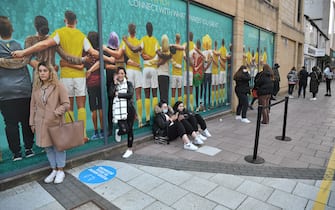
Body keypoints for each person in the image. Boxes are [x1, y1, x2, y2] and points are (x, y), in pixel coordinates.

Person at [12, 10, 102, 141]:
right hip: (79, 76)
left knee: (68, 106)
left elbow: (43, 45)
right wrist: (107, 57)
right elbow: (93, 52)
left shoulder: (59, 33)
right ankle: (82, 135)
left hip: (65, 75)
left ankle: (71, 136)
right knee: (81, 105)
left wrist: (24, 52)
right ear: (76, 21)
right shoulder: (82, 36)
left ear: (65, 20)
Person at [0, 16, 35, 161]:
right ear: (11, 29)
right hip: (24, 89)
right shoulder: (21, 45)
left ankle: (16, 153)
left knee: (10, 123)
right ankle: (29, 148)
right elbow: (31, 61)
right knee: (27, 120)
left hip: (5, 92)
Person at [30, 62, 70, 184]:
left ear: (50, 72)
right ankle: (53, 169)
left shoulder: (58, 86)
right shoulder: (36, 87)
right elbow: (32, 106)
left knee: (58, 147)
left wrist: (56, 112)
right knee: (47, 148)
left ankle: (60, 170)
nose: (42, 73)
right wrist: (32, 122)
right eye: (40, 71)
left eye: (45, 71)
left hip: (55, 122)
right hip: (41, 123)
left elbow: (66, 104)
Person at [105, 23, 143, 127]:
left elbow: (123, 57)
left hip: (127, 73)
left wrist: (105, 49)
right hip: (133, 72)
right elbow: (132, 57)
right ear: (135, 30)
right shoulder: (139, 41)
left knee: (127, 96)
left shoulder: (123, 43)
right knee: (136, 96)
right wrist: (138, 64)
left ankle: (130, 117)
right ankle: (138, 119)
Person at [110, 67, 136, 158]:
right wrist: (114, 83)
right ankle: (119, 132)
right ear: (116, 75)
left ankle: (129, 149)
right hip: (119, 111)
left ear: (125, 74)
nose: (120, 75)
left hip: (129, 110)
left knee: (130, 130)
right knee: (125, 129)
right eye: (118, 73)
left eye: (122, 73)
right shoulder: (114, 85)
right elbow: (111, 94)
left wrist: (119, 94)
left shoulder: (129, 84)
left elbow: (130, 94)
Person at [84, 32, 103, 140]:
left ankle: (96, 132)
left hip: (90, 83)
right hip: (99, 82)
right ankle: (102, 130)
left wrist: (89, 71)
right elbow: (101, 62)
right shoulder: (99, 51)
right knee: (100, 107)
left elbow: (82, 64)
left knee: (93, 108)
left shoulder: (86, 52)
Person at [171, 33, 184, 105]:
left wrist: (176, 65)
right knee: (179, 93)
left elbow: (171, 59)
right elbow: (185, 57)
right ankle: (180, 108)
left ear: (175, 39)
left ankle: (173, 108)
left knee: (173, 93)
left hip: (174, 73)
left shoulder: (172, 47)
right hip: (180, 74)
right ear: (180, 39)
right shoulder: (182, 49)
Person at [201, 34, 213, 111]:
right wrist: (206, 67)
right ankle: (208, 104)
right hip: (209, 73)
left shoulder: (203, 52)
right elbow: (210, 61)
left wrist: (204, 68)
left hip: (205, 73)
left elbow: (203, 61)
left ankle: (205, 105)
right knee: (208, 89)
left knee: (205, 89)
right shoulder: (210, 52)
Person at [193, 40, 205, 111]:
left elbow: (203, 61)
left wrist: (197, 67)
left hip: (198, 72)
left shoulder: (198, 53)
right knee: (199, 88)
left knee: (199, 88)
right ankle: (199, 104)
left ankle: (199, 104)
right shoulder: (197, 53)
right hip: (198, 72)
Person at [218, 38, 227, 105]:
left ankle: (222, 99)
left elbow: (224, 59)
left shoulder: (222, 50)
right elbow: (224, 59)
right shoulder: (222, 50)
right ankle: (221, 99)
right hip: (222, 70)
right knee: (222, 84)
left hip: (222, 70)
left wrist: (221, 57)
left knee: (222, 84)